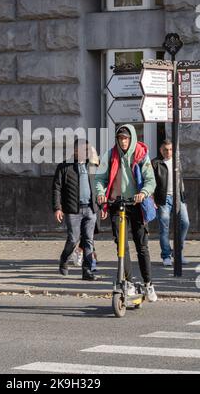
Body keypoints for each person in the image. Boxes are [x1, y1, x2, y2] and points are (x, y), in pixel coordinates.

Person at [95, 124, 158, 302]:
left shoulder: (140, 155)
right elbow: (100, 178)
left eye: (126, 138)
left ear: (131, 139)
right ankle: (129, 282)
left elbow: (150, 180)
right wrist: (100, 194)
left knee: (142, 245)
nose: (123, 141)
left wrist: (143, 193)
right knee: (121, 245)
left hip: (136, 204)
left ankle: (148, 283)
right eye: (120, 138)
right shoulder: (110, 155)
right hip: (117, 203)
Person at [52, 139, 99, 281]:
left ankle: (87, 271)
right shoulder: (64, 167)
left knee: (88, 241)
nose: (86, 153)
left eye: (87, 150)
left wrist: (102, 206)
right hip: (73, 210)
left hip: (91, 209)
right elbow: (56, 188)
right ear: (75, 151)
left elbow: (99, 185)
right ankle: (64, 259)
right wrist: (57, 208)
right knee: (73, 239)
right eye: (83, 150)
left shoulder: (92, 166)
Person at [152, 139, 190, 267]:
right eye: (165, 150)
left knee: (185, 223)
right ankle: (166, 255)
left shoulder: (177, 162)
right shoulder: (155, 163)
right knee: (165, 227)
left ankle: (178, 253)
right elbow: (151, 183)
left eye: (170, 149)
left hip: (178, 197)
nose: (168, 152)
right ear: (161, 150)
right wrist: (152, 199)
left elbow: (181, 180)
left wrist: (183, 197)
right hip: (163, 199)